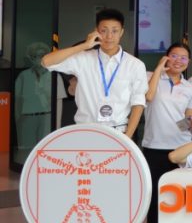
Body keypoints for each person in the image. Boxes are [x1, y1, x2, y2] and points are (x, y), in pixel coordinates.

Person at [41, 8, 148, 137]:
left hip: (119, 132)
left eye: (114, 31)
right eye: (104, 30)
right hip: (85, 131)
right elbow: (46, 61)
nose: (109, 36)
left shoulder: (135, 65)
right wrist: (84, 46)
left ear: (121, 32)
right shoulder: (83, 58)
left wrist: (127, 137)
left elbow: (138, 103)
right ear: (96, 31)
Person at [142, 42, 192, 223]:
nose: (178, 61)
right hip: (154, 146)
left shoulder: (190, 88)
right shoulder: (150, 77)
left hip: (180, 147)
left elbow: (186, 120)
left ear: (188, 62)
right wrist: (159, 69)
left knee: (179, 194)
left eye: (183, 58)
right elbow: (148, 97)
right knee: (154, 195)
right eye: (174, 56)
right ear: (166, 57)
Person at [14, 42, 63, 163]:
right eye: (36, 56)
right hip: (27, 118)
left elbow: (59, 101)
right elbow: (17, 100)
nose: (39, 59)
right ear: (31, 58)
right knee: (27, 151)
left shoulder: (54, 74)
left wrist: (57, 125)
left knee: (46, 149)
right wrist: (17, 119)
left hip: (47, 117)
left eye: (42, 55)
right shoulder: (23, 76)